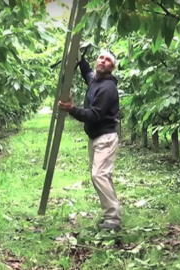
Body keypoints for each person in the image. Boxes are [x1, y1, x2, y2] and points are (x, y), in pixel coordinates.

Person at [58, 49, 122, 231]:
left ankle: (113, 220)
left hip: (105, 138)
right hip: (96, 137)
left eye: (108, 60)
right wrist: (80, 58)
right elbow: (87, 73)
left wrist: (72, 109)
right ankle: (112, 212)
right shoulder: (95, 79)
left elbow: (94, 115)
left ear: (112, 67)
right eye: (101, 58)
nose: (103, 61)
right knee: (102, 176)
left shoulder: (107, 88)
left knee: (99, 175)